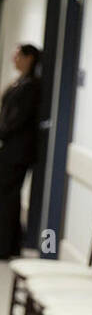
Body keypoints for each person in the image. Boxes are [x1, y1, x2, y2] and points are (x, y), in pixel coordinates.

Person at [0, 44, 42, 260]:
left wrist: (2, 131)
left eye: (18, 56)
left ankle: (6, 246)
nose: (13, 59)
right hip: (9, 149)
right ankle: (10, 243)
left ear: (29, 58)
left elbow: (17, 119)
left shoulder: (31, 86)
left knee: (7, 196)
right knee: (8, 196)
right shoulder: (20, 83)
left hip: (17, 152)